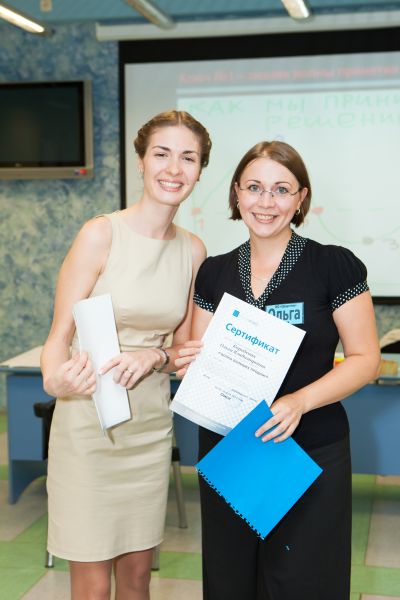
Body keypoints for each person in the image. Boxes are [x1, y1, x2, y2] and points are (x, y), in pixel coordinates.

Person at [176, 140, 381, 600]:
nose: (266, 202)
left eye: (281, 189)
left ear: (301, 198)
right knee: (231, 581)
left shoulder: (334, 266)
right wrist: (189, 362)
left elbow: (366, 359)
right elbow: (196, 358)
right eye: (254, 187)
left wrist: (299, 402)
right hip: (231, 451)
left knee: (305, 582)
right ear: (236, 193)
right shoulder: (214, 272)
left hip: (309, 450)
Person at [40, 110, 211, 600]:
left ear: (200, 170)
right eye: (162, 154)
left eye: (188, 158)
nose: (173, 169)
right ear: (140, 161)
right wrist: (56, 381)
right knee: (93, 586)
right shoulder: (100, 234)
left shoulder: (193, 250)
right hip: (87, 425)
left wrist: (154, 357)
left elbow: (183, 351)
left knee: (137, 580)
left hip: (149, 430)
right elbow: (58, 336)